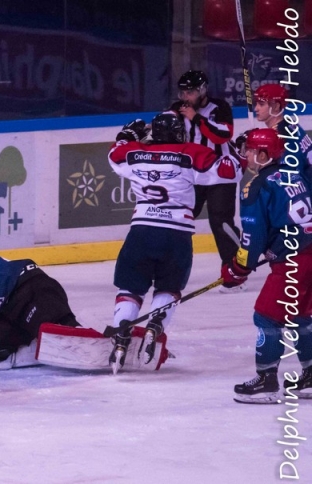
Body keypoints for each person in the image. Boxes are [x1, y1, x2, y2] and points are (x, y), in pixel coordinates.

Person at [107, 112, 242, 374]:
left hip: (142, 231)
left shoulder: (134, 152)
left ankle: (122, 331)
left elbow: (114, 155)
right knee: (168, 289)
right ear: (179, 133)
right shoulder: (191, 152)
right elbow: (229, 172)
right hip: (176, 235)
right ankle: (154, 327)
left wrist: (125, 136)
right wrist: (236, 152)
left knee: (130, 288)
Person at [227, 129, 312, 404]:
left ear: (263, 155)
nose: (246, 155)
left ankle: (266, 382)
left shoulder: (256, 185)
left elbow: (252, 238)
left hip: (293, 261)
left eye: (250, 150)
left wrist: (238, 269)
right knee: (301, 315)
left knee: (266, 316)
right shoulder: (295, 174)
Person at [169, 70, 244, 293]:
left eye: (190, 92)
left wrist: (197, 118)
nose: (185, 96)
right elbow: (162, 126)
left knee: (221, 222)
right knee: (177, 220)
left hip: (220, 173)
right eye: (183, 91)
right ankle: (169, 270)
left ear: (202, 91)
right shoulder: (177, 108)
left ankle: (235, 273)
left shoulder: (219, 108)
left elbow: (223, 136)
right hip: (191, 174)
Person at [235, 84, 312, 168]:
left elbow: (272, 170)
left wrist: (253, 146)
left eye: (261, 104)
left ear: (276, 106)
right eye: (256, 104)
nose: (256, 108)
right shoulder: (288, 123)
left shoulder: (281, 134)